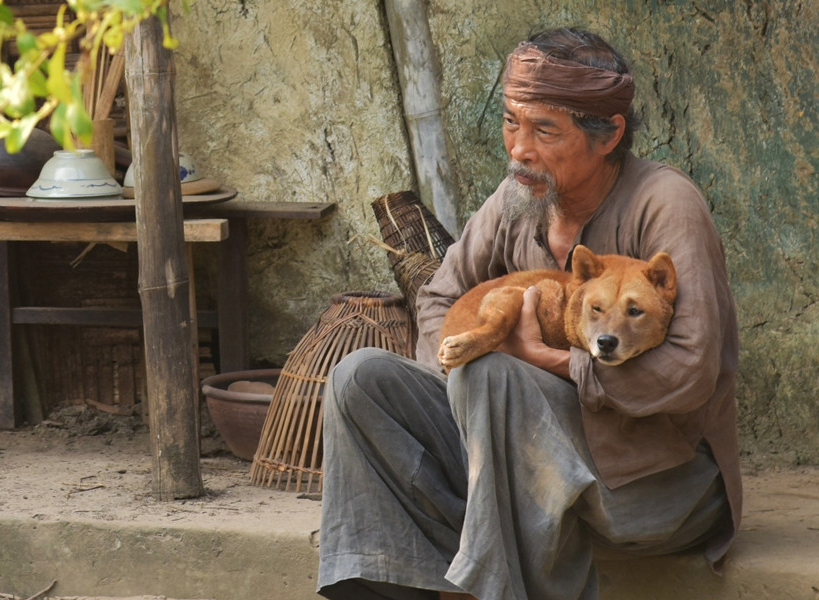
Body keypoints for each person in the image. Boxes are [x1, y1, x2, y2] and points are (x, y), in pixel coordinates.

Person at [317, 27, 741, 600]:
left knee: (498, 375)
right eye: (511, 122)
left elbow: (692, 368)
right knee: (359, 378)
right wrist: (463, 392)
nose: (519, 147)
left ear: (608, 134)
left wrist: (544, 360)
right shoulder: (520, 195)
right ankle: (388, 588)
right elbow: (441, 297)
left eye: (544, 130)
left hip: (652, 489)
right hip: (519, 470)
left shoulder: (665, 205)